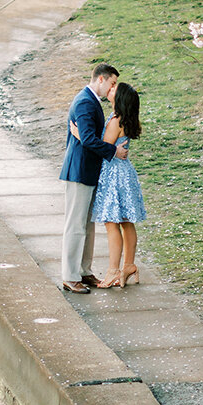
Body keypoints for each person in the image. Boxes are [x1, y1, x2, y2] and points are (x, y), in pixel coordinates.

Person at [58, 62, 128, 293]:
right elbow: (87, 139)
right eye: (112, 83)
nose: (112, 88)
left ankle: (84, 271)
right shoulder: (86, 102)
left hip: (87, 171)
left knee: (86, 225)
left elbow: (87, 137)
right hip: (79, 171)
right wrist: (114, 151)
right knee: (76, 226)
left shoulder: (90, 100)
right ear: (101, 79)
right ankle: (70, 276)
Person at [70, 81, 145, 288]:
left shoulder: (115, 121)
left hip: (114, 175)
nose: (109, 90)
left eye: (114, 89)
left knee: (112, 223)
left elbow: (103, 147)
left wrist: (79, 136)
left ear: (119, 98)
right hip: (125, 172)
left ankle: (113, 271)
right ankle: (128, 265)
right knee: (126, 222)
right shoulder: (125, 119)